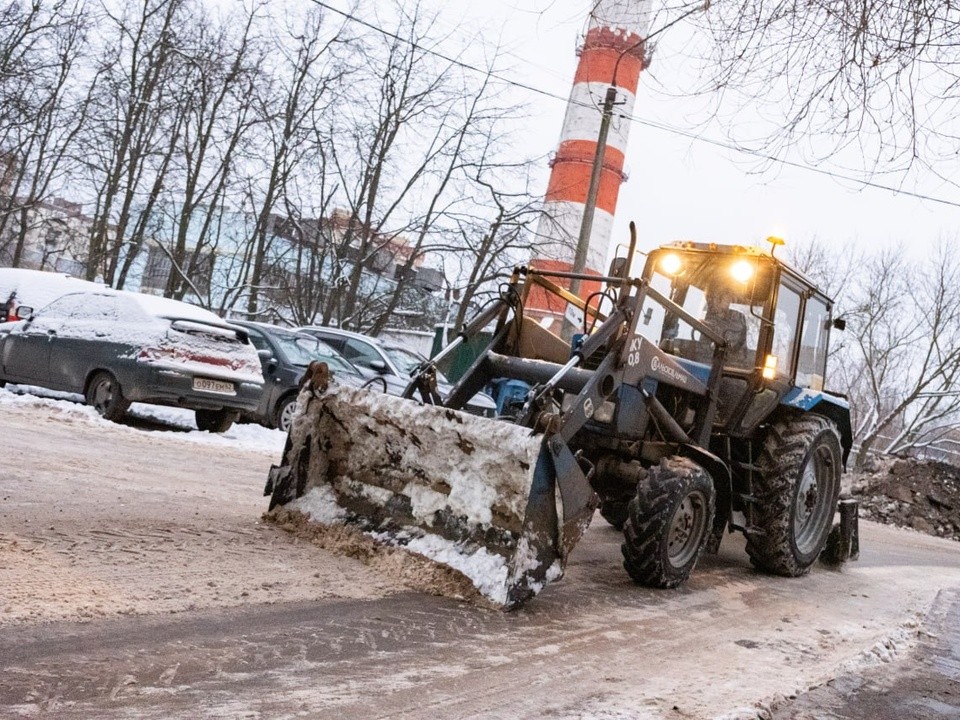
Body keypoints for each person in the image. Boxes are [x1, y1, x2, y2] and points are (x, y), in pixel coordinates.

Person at [702, 284, 748, 362]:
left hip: (730, 367)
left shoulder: (738, 319)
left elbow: (738, 349)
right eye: (709, 297)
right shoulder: (700, 321)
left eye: (717, 297)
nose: (712, 301)